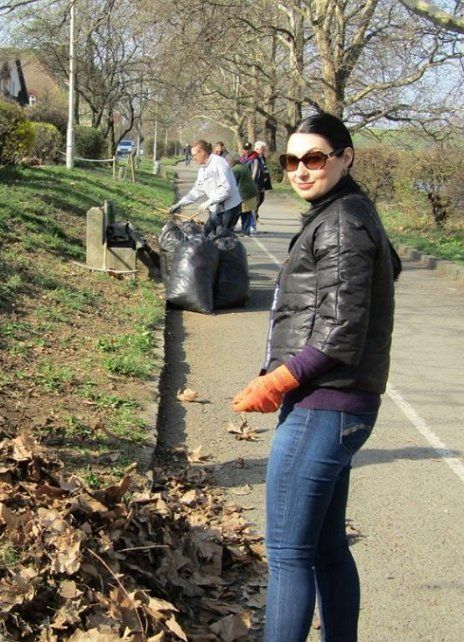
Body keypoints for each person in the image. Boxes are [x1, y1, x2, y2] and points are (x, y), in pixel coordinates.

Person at [232, 112, 401, 642]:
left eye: (314, 159)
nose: (301, 171)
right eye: (291, 161)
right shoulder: (344, 211)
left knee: (287, 554)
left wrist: (278, 380)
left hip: (325, 406)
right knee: (326, 549)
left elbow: (341, 328)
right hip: (338, 405)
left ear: (345, 157)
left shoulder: (342, 221)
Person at [168, 140, 242, 237]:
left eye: (194, 155)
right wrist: (180, 204)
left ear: (202, 152)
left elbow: (225, 189)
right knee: (206, 233)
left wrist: (209, 202)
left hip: (229, 208)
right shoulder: (202, 170)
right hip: (216, 207)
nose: (193, 158)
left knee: (221, 238)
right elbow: (196, 191)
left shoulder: (219, 163)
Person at [227, 153, 258, 234]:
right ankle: (245, 230)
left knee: (239, 211)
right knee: (245, 212)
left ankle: (242, 230)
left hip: (245, 193)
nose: (228, 162)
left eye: (228, 161)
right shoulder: (243, 166)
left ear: (232, 160)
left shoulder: (236, 169)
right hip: (251, 191)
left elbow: (231, 183)